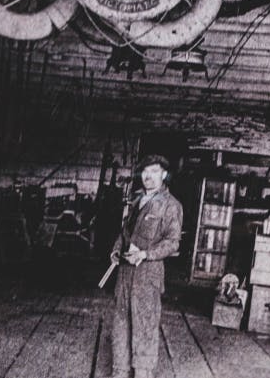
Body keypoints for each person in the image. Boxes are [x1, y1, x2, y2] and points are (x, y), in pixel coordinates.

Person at [110, 154, 183, 378]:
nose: (147, 176)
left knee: (144, 325)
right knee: (121, 323)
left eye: (153, 171)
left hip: (148, 274)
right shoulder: (136, 200)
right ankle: (119, 372)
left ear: (164, 174)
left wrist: (146, 254)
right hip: (125, 273)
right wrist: (115, 249)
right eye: (144, 171)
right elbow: (125, 233)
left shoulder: (171, 205)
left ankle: (142, 374)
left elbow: (173, 242)